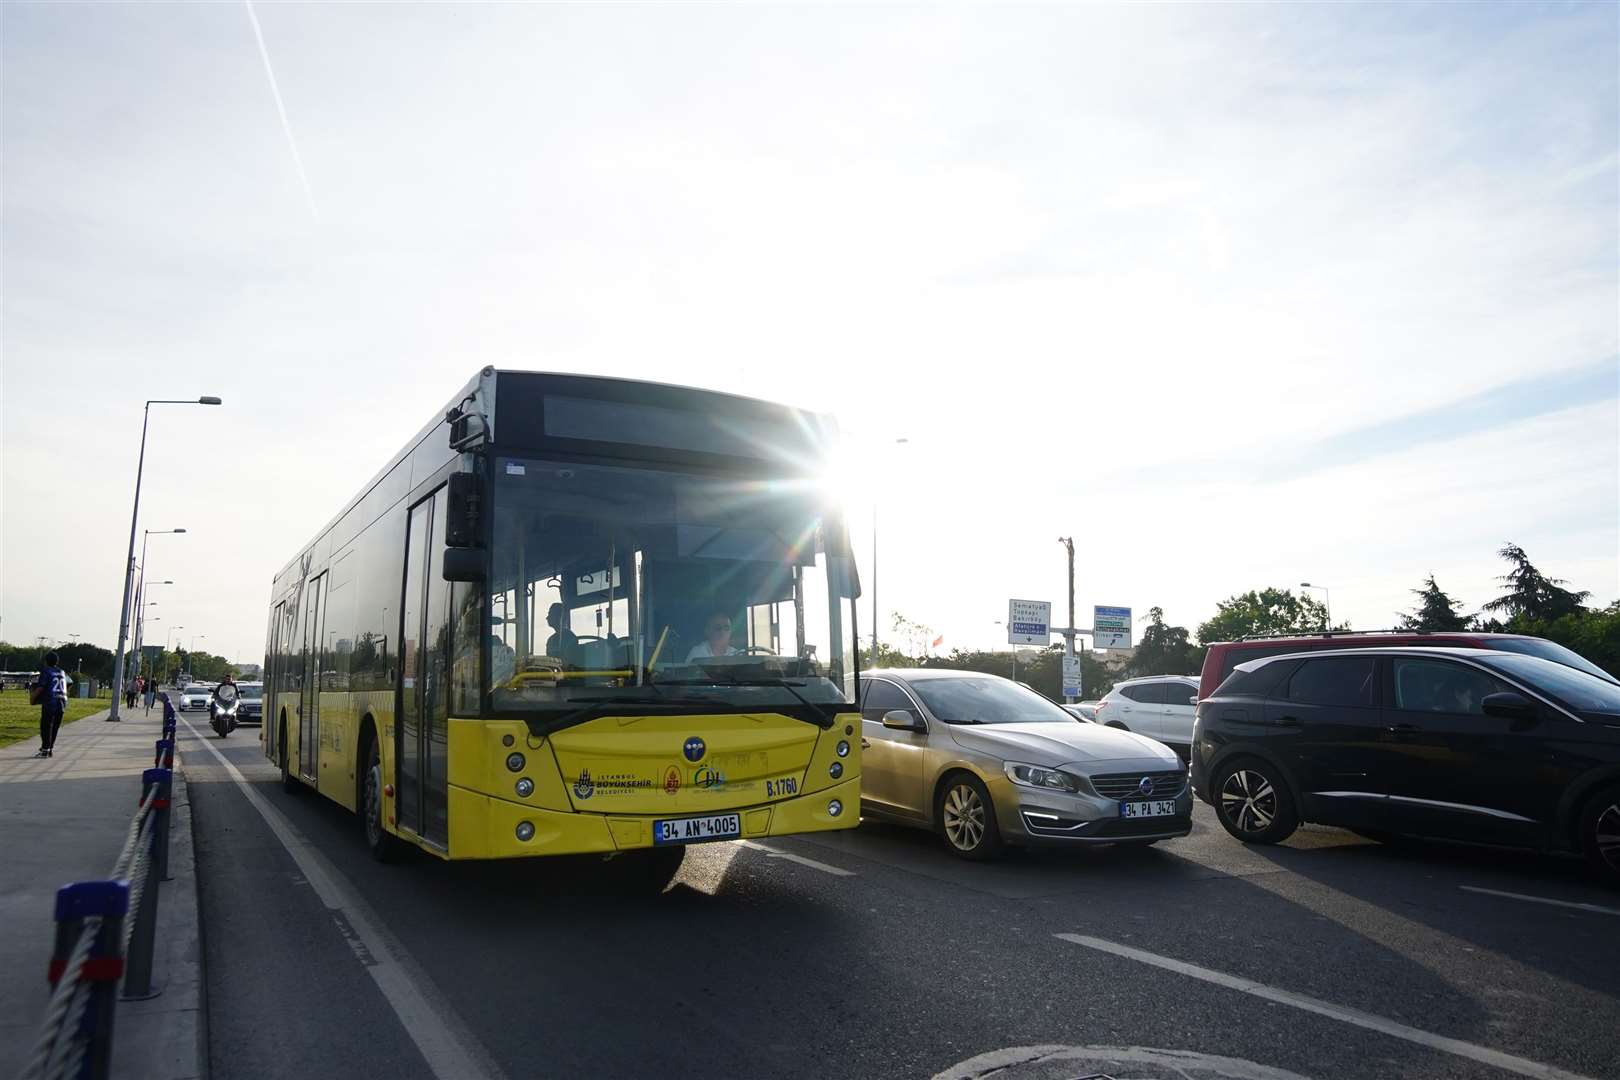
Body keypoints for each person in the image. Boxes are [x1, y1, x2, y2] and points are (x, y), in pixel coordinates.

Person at [33, 651, 70, 758]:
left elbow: (41, 687)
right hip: (62, 702)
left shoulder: (46, 671)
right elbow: (70, 682)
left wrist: (33, 697)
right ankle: (49, 749)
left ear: (46, 661)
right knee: (54, 727)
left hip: (50, 701)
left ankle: (45, 750)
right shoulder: (62, 672)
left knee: (45, 726)